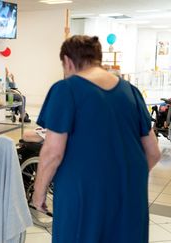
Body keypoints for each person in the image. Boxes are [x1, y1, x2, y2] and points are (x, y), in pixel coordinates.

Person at [32, 35, 161, 243]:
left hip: (83, 195)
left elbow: (52, 152)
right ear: (98, 59)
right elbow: (153, 152)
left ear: (67, 61)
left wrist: (39, 193)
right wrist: (122, 179)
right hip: (129, 195)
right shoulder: (131, 92)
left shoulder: (66, 90)